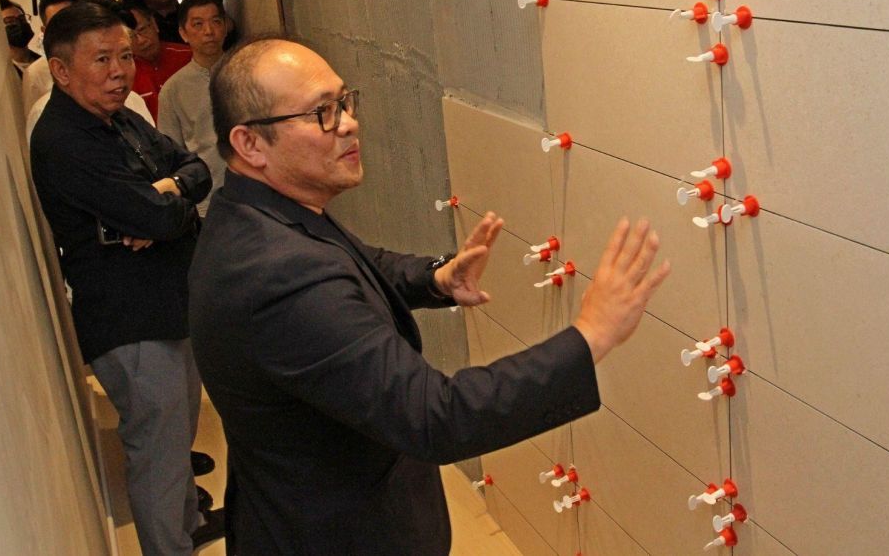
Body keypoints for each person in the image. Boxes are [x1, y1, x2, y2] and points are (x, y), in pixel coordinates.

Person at [190, 38, 670, 555]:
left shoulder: (258, 213)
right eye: (321, 114)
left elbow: (355, 262)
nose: (349, 124)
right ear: (250, 144)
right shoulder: (275, 274)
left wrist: (435, 278)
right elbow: (437, 417)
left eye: (345, 102)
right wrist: (590, 336)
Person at [30, 3, 223, 555]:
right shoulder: (64, 140)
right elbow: (160, 215)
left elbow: (196, 168)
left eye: (123, 55)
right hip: (129, 323)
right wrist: (163, 207)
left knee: (180, 429)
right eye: (101, 59)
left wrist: (166, 194)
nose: (120, 70)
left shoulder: (118, 116)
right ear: (62, 71)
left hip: (167, 302)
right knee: (158, 454)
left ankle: (188, 524)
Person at [157, 0, 228, 216]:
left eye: (216, 21)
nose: (209, 31)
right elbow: (171, 152)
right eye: (198, 24)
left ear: (225, 26)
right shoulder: (173, 89)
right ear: (183, 33)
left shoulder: (247, 72)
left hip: (257, 191)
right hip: (208, 201)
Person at [126, 4, 192, 122]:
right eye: (131, 36)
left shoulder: (189, 56)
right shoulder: (124, 73)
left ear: (155, 24)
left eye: (143, 29)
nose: (141, 40)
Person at [20, 0, 78, 114]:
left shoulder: (105, 57)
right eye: (56, 22)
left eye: (71, 19)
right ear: (45, 30)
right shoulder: (35, 73)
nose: (66, 27)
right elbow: (34, 121)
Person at [0, 0, 39, 75]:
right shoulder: (2, 72)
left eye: (22, 19)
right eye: (10, 21)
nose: (19, 24)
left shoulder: (44, 63)